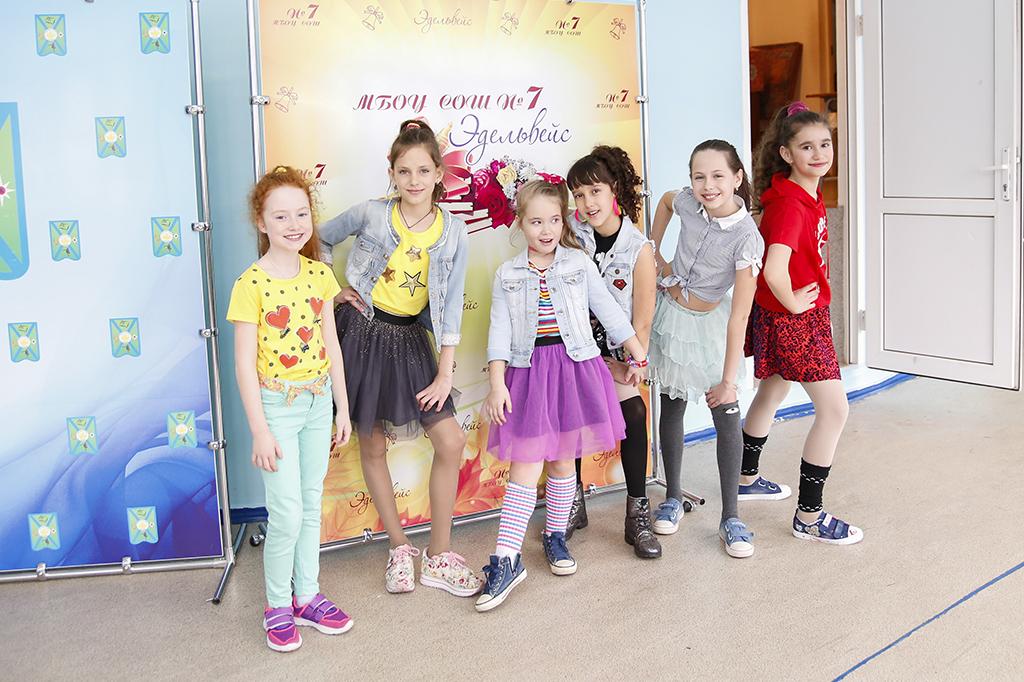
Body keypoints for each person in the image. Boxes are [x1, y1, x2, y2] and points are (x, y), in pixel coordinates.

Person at [318, 120, 482, 596]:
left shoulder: (453, 232)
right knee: (372, 446)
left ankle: (439, 555)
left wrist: (445, 373)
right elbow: (320, 239)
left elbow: (450, 309)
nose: (414, 180)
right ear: (391, 172)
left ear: (439, 174)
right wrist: (333, 290)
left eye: (424, 170)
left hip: (410, 341)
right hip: (361, 335)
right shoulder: (371, 214)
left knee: (450, 440)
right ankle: (399, 548)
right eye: (404, 170)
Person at [475, 178, 649, 612]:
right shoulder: (508, 273)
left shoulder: (577, 263)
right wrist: (497, 384)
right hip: (529, 373)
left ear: (564, 221)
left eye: (554, 220)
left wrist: (636, 349)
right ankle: (506, 559)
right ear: (520, 223)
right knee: (525, 463)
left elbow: (608, 309)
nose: (546, 229)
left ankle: (555, 536)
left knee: (560, 460)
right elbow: (498, 332)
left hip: (574, 369)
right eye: (536, 222)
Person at [227, 165, 354, 652]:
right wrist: (260, 430)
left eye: (302, 214)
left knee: (310, 504)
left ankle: (307, 596)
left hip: (318, 403)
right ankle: (277, 604)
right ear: (261, 222)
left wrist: (342, 409)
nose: (294, 224)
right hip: (276, 408)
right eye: (281, 216)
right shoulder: (250, 284)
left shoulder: (321, 275)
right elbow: (243, 365)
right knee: (286, 513)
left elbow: (331, 347)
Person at [744, 102, 862, 545]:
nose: (819, 154)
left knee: (772, 391)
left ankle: (745, 478)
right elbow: (774, 269)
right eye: (806, 147)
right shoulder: (792, 206)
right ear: (787, 153)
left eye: (825, 144)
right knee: (834, 411)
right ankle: (809, 518)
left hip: (784, 317)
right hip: (796, 320)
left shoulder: (799, 195)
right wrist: (795, 305)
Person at [566, 145, 660, 559]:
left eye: (595, 192)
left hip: (618, 357)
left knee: (634, 413)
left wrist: (633, 363)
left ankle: (637, 514)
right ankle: (571, 500)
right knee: (568, 413)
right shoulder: (571, 235)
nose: (588, 203)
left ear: (614, 190)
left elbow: (642, 318)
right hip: (575, 351)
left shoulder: (638, 249)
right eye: (579, 194)